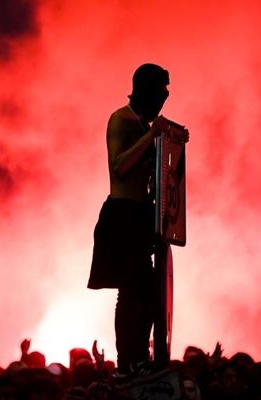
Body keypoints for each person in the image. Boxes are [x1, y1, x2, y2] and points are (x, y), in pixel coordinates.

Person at [87, 63, 172, 376]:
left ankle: (140, 355)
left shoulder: (140, 124)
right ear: (147, 90)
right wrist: (153, 134)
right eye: (161, 91)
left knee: (148, 289)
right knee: (130, 290)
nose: (165, 97)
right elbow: (119, 166)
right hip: (122, 214)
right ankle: (128, 362)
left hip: (140, 215)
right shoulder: (121, 119)